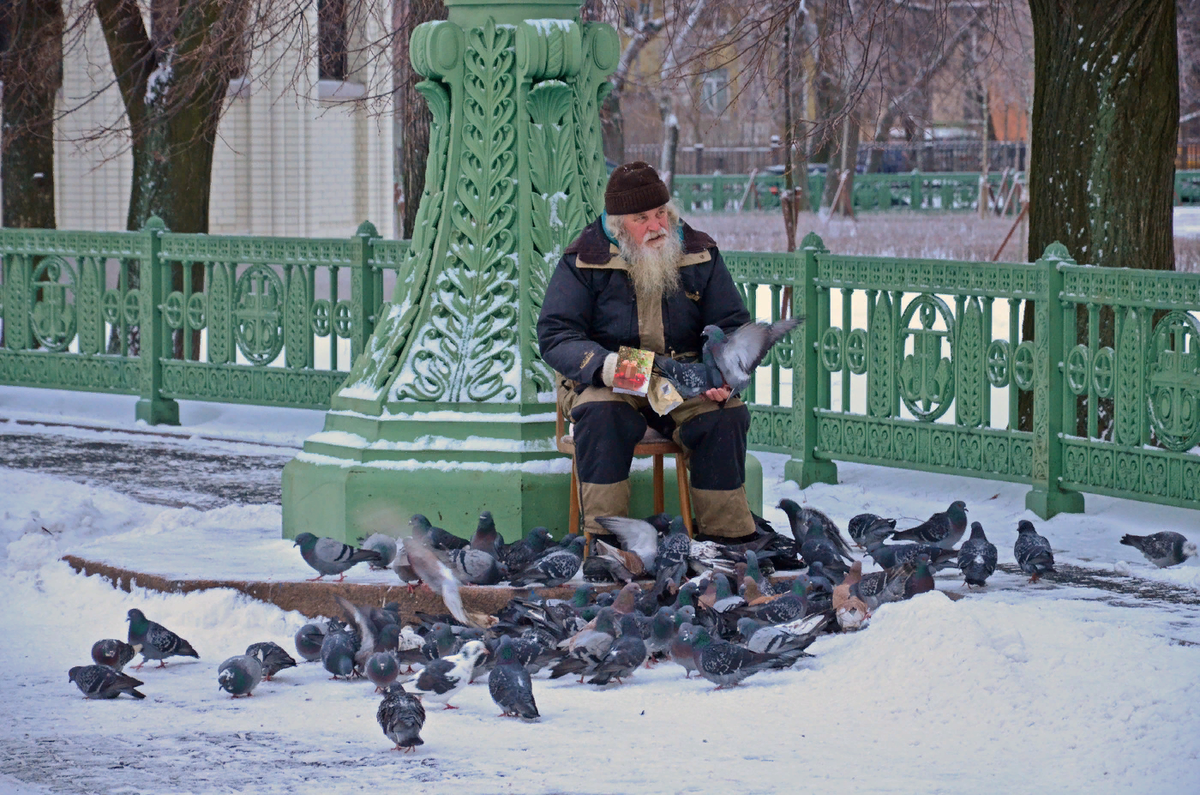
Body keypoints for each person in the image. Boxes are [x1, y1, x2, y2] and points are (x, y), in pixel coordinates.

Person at [537, 161, 756, 542]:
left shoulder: (700, 252)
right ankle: (607, 545)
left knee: (725, 417)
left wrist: (724, 375)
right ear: (620, 224)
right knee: (603, 416)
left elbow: (733, 324)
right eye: (642, 218)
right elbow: (556, 334)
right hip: (611, 376)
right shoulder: (583, 260)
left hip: (682, 380)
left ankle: (728, 543)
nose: (657, 226)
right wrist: (606, 366)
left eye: (661, 214)